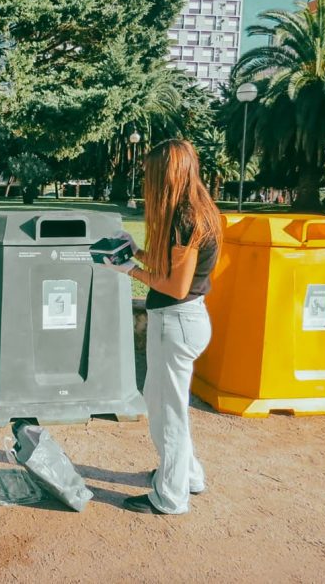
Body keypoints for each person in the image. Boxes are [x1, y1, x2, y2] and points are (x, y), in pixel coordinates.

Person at [104, 139, 222, 515]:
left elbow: (174, 286)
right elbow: (172, 267)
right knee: (167, 405)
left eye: (151, 174)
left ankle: (170, 497)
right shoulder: (198, 211)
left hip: (177, 322)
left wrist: (129, 271)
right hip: (184, 322)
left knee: (166, 412)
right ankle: (188, 476)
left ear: (167, 175)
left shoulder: (186, 217)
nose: (146, 180)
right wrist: (135, 251)